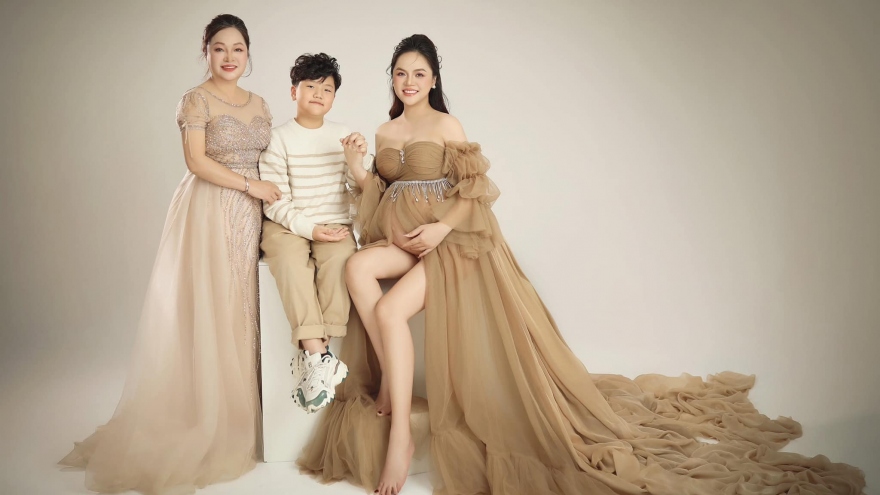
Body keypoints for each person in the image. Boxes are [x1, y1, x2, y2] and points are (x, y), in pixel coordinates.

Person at [300, 34, 866, 495]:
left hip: (448, 245)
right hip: (403, 237)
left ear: (433, 80)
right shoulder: (385, 130)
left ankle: (400, 434)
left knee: (392, 311)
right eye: (401, 73)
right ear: (392, 79)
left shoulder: (448, 127)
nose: (409, 82)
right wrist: (358, 167)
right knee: (356, 270)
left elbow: (474, 193)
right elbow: (379, 196)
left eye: (419, 73)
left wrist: (443, 228)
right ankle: (391, 382)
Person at [59, 14, 281, 495]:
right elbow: (196, 161)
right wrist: (251, 187)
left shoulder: (261, 102)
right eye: (219, 48)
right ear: (206, 51)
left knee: (248, 307)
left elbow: (272, 158)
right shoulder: (196, 99)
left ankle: (252, 415)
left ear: (248, 53)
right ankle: (214, 419)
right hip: (210, 210)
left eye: (238, 48)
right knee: (216, 308)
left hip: (254, 215)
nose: (229, 57)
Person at [258, 53, 370, 413]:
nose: (319, 94)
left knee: (341, 262)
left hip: (333, 224)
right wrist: (310, 229)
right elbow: (275, 200)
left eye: (327, 89)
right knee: (291, 264)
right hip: (287, 225)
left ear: (334, 97)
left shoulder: (342, 135)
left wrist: (357, 160)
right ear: (294, 92)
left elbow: (358, 188)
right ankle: (319, 355)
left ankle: (316, 358)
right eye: (310, 86)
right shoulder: (278, 139)